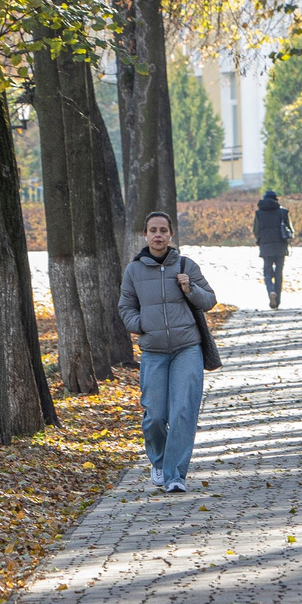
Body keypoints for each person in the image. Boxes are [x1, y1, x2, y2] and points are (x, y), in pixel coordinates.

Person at [118, 210, 214, 491]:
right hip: (154, 351)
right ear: (145, 235)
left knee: (183, 410)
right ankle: (158, 462)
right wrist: (141, 325)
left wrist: (190, 288)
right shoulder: (134, 270)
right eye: (153, 230)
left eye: (163, 230)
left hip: (187, 348)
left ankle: (175, 476)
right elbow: (125, 307)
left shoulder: (186, 265)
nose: (158, 235)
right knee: (155, 416)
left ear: (171, 234)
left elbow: (209, 300)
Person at [253, 188, 294, 309]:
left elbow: (256, 231)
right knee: (278, 273)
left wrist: (261, 240)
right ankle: (278, 299)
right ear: (276, 199)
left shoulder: (258, 213)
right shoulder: (283, 212)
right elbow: (290, 230)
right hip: (280, 246)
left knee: (267, 272)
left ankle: (271, 291)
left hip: (265, 246)